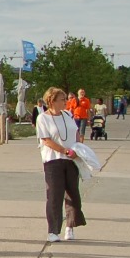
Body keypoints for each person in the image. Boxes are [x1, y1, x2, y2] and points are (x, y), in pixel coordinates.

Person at [37, 87, 87, 243]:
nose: (66, 102)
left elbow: (75, 132)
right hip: (53, 160)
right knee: (54, 195)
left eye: (66, 99)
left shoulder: (67, 114)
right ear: (52, 101)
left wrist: (78, 148)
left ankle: (70, 227)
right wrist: (64, 150)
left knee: (73, 193)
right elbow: (46, 140)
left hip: (71, 159)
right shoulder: (43, 118)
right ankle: (53, 230)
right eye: (62, 99)